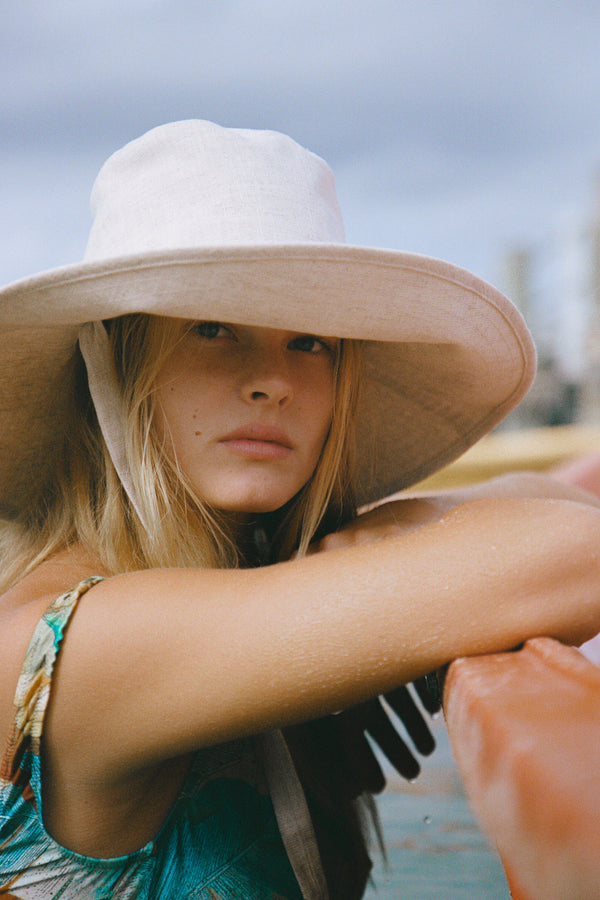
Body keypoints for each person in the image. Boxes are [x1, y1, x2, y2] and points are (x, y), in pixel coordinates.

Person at [1, 119, 600, 900]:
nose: (270, 380)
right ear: (113, 366)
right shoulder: (84, 643)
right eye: (211, 328)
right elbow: (579, 552)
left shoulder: (242, 583)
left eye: (309, 341)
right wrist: (385, 548)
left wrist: (380, 531)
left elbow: (557, 515)